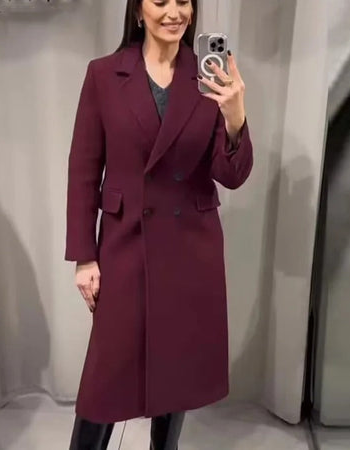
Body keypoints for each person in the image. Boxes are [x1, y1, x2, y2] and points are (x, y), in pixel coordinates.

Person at [65, 0, 253, 448]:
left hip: (190, 248)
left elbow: (231, 175)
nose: (174, 13)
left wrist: (235, 115)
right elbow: (84, 170)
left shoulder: (209, 76)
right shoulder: (104, 75)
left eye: (183, 1)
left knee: (176, 371)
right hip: (125, 242)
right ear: (137, 11)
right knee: (105, 381)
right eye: (160, 1)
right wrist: (85, 257)